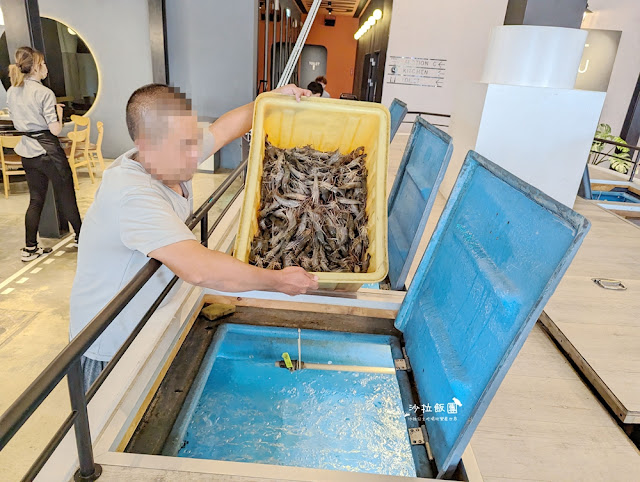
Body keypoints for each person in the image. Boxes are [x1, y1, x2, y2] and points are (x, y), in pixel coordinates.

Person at [70, 83, 319, 390]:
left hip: (149, 319)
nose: (194, 154)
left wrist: (270, 101)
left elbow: (223, 129)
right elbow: (198, 268)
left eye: (193, 140)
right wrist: (279, 281)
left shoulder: (169, 153)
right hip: (110, 346)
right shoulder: (132, 194)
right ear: (146, 144)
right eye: (183, 146)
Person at [6, 47, 82, 261]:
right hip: (48, 149)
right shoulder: (44, 93)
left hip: (27, 151)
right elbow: (55, 130)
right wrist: (58, 113)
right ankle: (81, 237)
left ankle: (30, 248)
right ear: (37, 66)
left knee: (35, 199)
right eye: (44, 64)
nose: (47, 68)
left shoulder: (13, 90)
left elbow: (17, 119)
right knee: (66, 194)